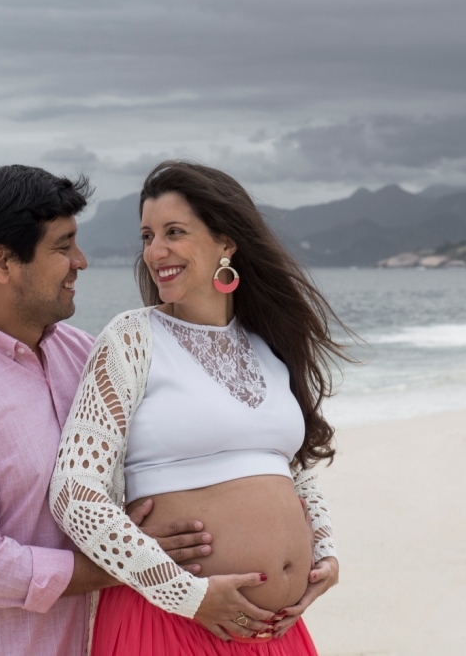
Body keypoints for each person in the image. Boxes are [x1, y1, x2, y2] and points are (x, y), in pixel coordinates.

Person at [0, 161, 215, 656]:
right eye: (62, 247)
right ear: (1, 262)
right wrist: (127, 564)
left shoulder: (87, 354)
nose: (80, 261)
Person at [50, 161, 346, 655]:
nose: (155, 251)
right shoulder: (131, 339)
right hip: (173, 624)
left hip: (276, 632)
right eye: (147, 236)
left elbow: (289, 471)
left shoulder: (267, 346)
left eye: (174, 233)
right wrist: (187, 594)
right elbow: (74, 494)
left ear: (226, 242)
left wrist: (324, 552)